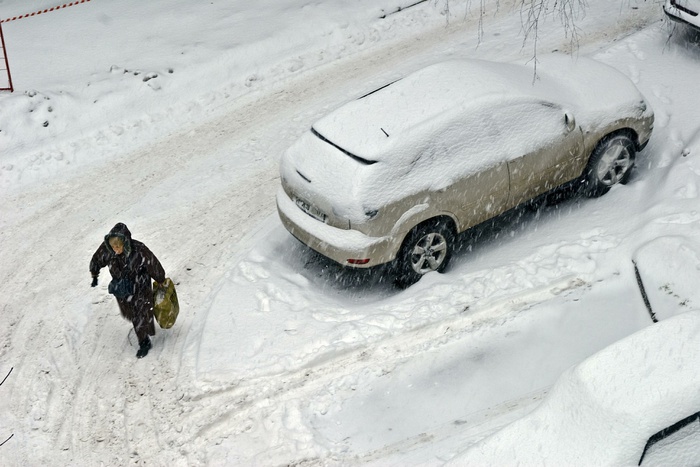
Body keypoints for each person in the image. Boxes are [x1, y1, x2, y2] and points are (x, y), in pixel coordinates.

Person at [89, 223, 166, 358]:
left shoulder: (139, 250)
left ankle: (144, 343)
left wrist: (160, 279)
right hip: (122, 289)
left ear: (125, 242)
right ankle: (143, 327)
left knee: (140, 313)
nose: (115, 249)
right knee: (130, 313)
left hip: (140, 287)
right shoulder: (108, 249)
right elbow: (96, 259)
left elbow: (153, 264)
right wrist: (94, 274)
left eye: (118, 246)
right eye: (113, 247)